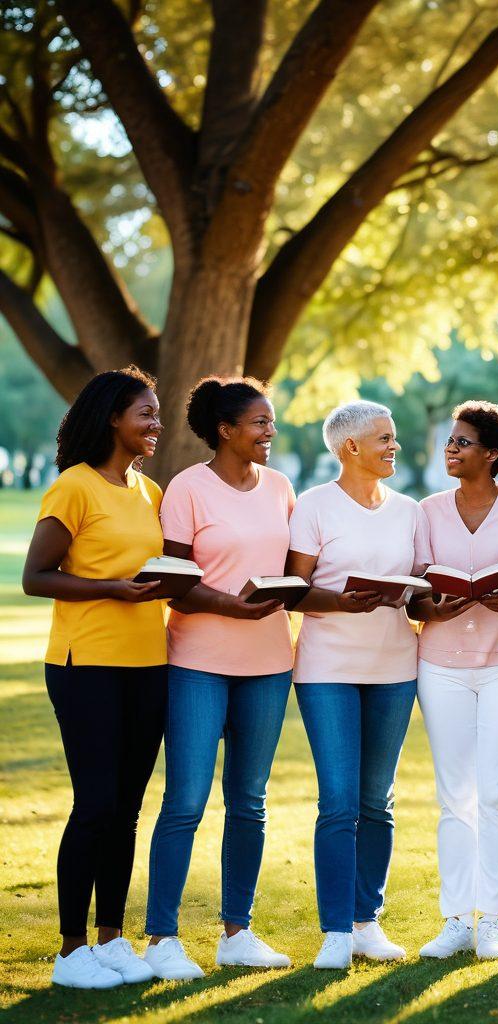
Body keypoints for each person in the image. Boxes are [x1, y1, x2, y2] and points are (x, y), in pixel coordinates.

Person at [144, 377, 295, 980]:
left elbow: (290, 570)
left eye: (270, 421)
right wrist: (231, 605)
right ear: (225, 430)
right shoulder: (188, 487)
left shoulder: (280, 487)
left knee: (249, 801)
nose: (270, 431)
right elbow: (173, 582)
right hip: (198, 662)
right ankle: (162, 938)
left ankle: (238, 933)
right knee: (185, 800)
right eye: (259, 422)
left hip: (269, 663)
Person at [22, 368, 167, 989]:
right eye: (145, 413)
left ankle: (111, 938)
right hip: (87, 666)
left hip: (149, 664)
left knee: (127, 810)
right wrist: (111, 588)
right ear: (112, 417)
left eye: (157, 413)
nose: (157, 423)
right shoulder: (74, 487)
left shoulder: (148, 490)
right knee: (96, 805)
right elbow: (36, 576)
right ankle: (71, 950)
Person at [285, 400, 429, 970]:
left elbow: (420, 588)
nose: (395, 446)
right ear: (350, 447)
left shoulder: (409, 511)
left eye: (393, 437)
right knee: (339, 802)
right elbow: (293, 590)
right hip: (327, 670)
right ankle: (335, 931)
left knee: (377, 801)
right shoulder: (314, 506)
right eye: (384, 438)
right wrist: (341, 600)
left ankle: (367, 921)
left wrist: (425, 595)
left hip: (395, 668)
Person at [410, 402, 498, 960]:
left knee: (496, 792)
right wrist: (432, 606)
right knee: (454, 796)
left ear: (492, 453)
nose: (451, 448)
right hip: (440, 664)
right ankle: (454, 919)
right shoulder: (427, 511)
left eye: (463, 442)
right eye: (450, 440)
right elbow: (415, 594)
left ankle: (491, 918)